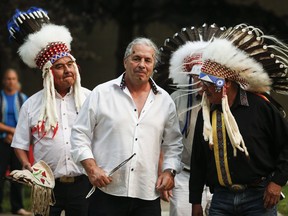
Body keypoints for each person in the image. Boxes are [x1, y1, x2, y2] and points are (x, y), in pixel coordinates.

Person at [70, 37, 183, 216]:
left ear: (154, 65)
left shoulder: (165, 101)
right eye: (136, 58)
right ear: (125, 62)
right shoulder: (102, 93)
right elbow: (79, 135)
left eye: (148, 60)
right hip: (106, 192)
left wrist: (169, 172)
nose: (142, 64)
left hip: (147, 193)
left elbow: (173, 144)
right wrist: (92, 169)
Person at [189, 23, 288, 216]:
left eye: (210, 84)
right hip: (221, 198)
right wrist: (195, 202)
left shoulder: (260, 106)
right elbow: (198, 160)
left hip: (259, 197)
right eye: (204, 83)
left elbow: (286, 145)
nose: (204, 89)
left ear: (226, 84)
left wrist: (277, 182)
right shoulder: (207, 112)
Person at [7, 7, 91, 216]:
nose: (68, 70)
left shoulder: (90, 98)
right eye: (60, 66)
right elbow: (19, 143)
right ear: (47, 73)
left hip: (83, 183)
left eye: (70, 64)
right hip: (46, 185)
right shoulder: (32, 104)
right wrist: (28, 167)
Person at [154, 24, 227, 216]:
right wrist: (165, 172)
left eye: (205, 75)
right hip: (184, 175)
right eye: (195, 76)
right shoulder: (174, 99)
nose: (200, 81)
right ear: (188, 75)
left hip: (220, 177)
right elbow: (162, 139)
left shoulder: (224, 99)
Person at [0, 68, 30, 215]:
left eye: (13, 79)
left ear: (17, 81)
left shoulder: (23, 98)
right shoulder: (0, 97)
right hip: (2, 141)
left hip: (18, 143)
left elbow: (27, 121)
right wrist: (11, 131)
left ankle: (17, 207)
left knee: (18, 175)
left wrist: (17, 135)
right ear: (4, 81)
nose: (10, 81)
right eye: (8, 78)